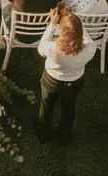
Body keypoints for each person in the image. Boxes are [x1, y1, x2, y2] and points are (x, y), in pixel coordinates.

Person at [35, 8, 97, 144]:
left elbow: (41, 46)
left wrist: (52, 25)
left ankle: (43, 134)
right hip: (74, 82)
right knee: (69, 109)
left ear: (62, 32)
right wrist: (77, 23)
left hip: (52, 81)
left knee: (46, 107)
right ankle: (64, 136)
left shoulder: (52, 48)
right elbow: (85, 37)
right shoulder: (90, 48)